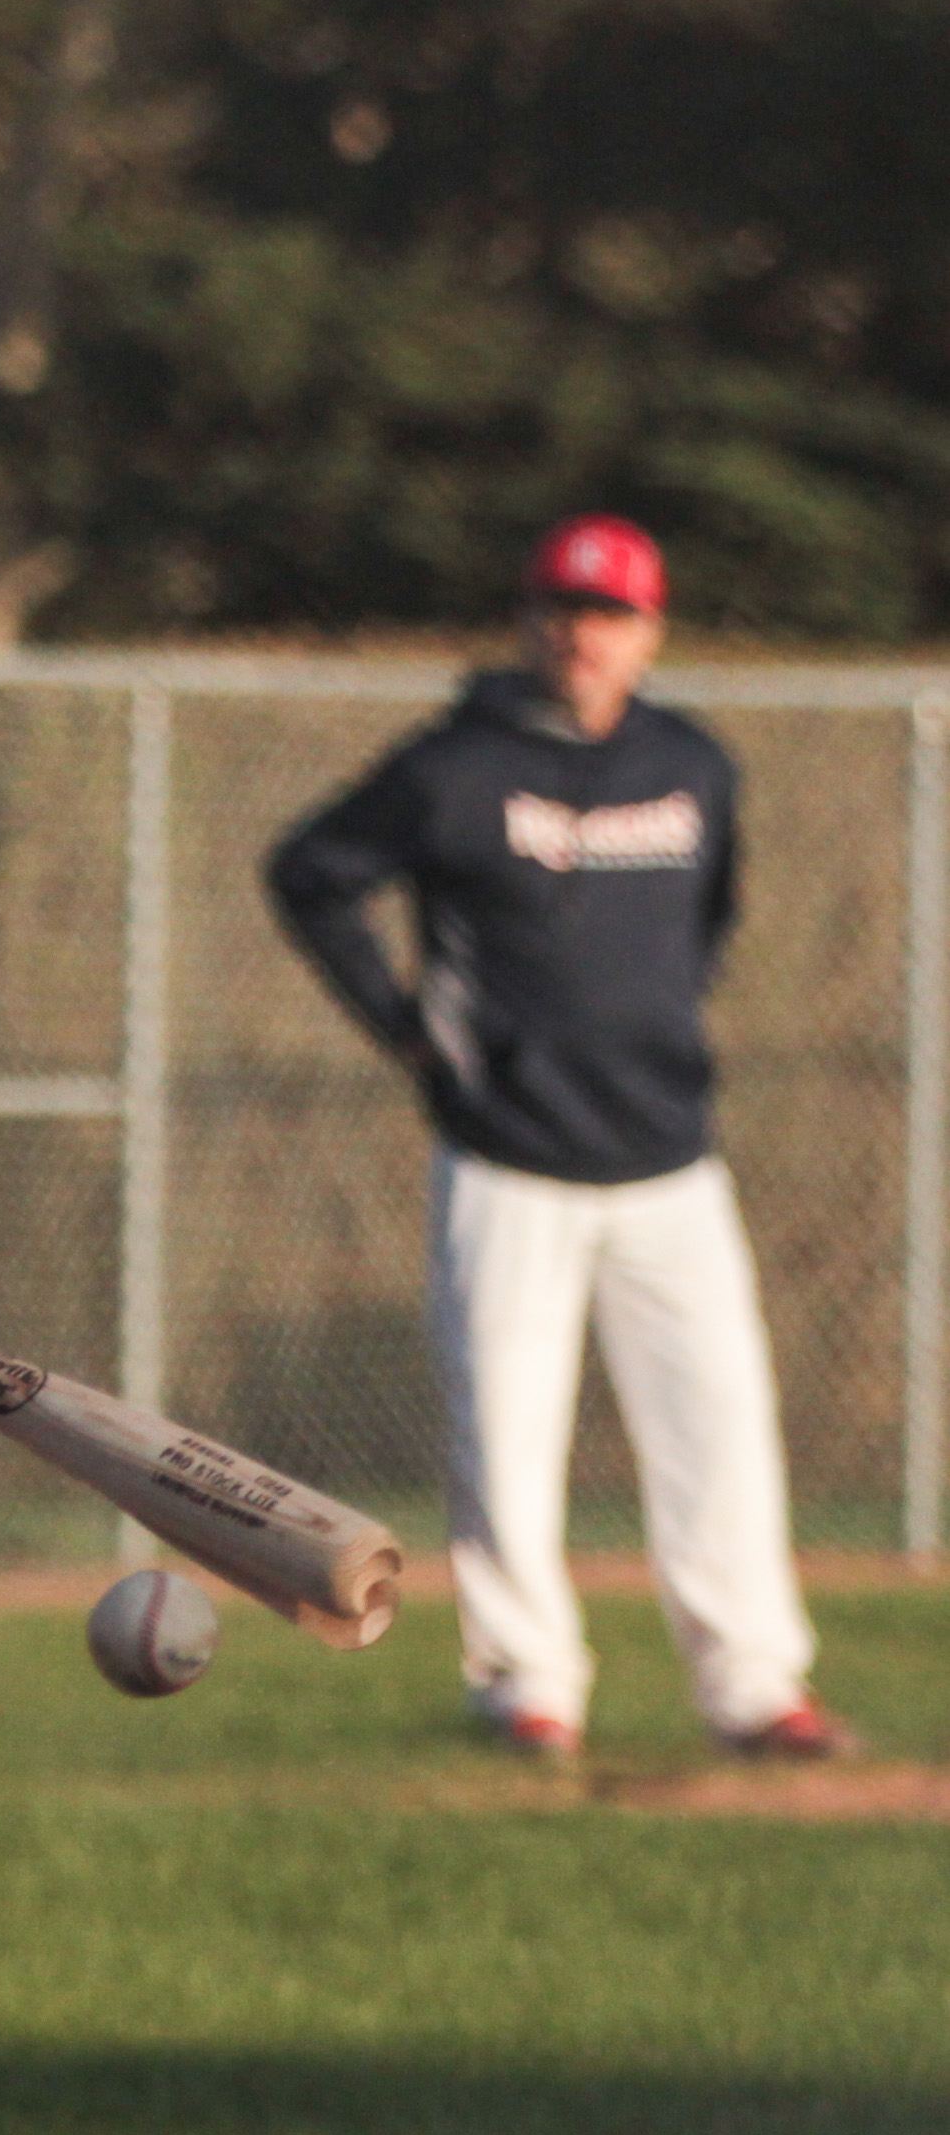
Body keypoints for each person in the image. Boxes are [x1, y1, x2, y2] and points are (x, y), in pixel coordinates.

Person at [266, 515, 848, 1765]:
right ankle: (529, 1688)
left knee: (722, 1431)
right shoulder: (455, 767)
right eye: (562, 608)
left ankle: (755, 1688)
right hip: (507, 1157)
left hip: (671, 1159)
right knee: (509, 1434)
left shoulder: (694, 766)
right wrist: (404, 1025)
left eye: (611, 613)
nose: (583, 635)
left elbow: (711, 922)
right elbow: (309, 871)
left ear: (652, 629)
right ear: (529, 620)